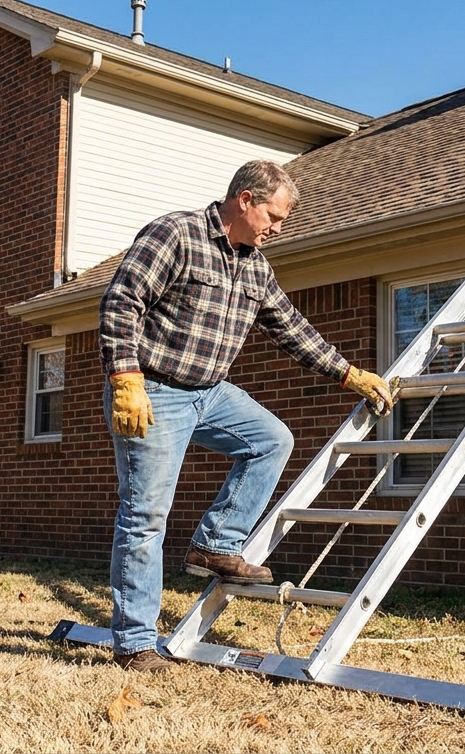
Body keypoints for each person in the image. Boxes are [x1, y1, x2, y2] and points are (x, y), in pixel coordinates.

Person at [97, 159, 395, 673]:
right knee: (145, 518)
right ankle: (135, 642)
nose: (278, 229)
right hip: (153, 391)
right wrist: (125, 378)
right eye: (274, 217)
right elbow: (122, 302)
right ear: (246, 201)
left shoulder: (256, 266)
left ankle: (214, 544)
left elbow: (292, 329)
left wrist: (350, 374)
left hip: (209, 392)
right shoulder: (177, 235)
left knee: (272, 439)